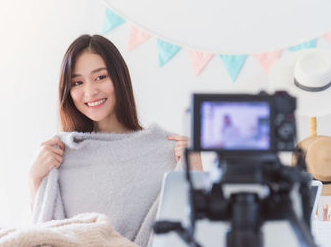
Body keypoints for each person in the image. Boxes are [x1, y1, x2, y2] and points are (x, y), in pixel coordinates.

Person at [28, 34, 202, 246]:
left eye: (100, 77)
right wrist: (34, 179)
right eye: (77, 82)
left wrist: (195, 169)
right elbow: (45, 235)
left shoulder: (166, 151)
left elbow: (196, 231)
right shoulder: (61, 155)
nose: (90, 92)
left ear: (119, 78)